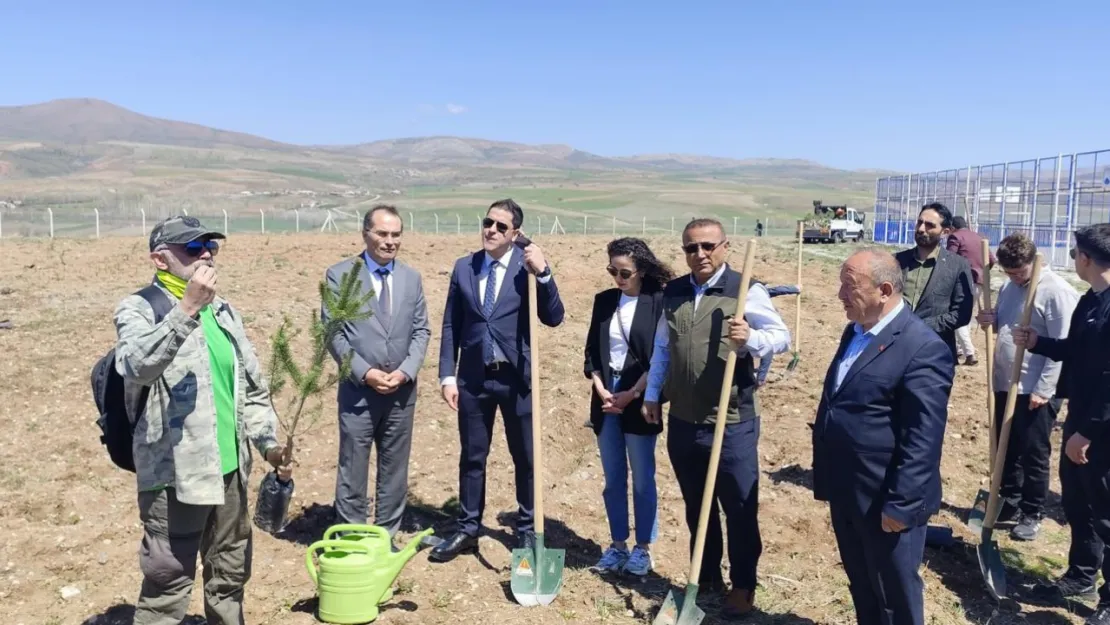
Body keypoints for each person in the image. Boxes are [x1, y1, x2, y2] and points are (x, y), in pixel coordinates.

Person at [113, 215, 292, 625]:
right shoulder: (140, 308)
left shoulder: (224, 311)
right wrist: (187, 308)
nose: (206, 254)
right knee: (168, 585)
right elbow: (136, 365)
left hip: (230, 472)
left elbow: (251, 388)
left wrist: (268, 445)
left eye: (210, 246)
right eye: (193, 248)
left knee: (229, 575)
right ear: (160, 259)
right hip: (176, 477)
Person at [641, 218, 791, 619]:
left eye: (708, 246)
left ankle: (743, 585)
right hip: (684, 418)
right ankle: (706, 575)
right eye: (692, 248)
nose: (700, 254)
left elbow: (782, 337)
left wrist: (750, 339)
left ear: (724, 246)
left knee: (739, 506)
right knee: (696, 504)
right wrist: (653, 394)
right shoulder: (673, 292)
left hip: (731, 420)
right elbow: (663, 348)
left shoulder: (745, 290)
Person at [812, 248, 954, 625]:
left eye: (850, 287)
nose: (840, 295)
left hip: (887, 499)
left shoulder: (923, 348)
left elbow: (923, 438)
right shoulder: (855, 331)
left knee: (894, 593)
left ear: (884, 290)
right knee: (862, 583)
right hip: (849, 490)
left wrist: (901, 504)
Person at [430, 199, 566, 562]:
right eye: (488, 222)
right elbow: (451, 324)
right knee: (472, 456)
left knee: (525, 458)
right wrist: (447, 375)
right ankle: (468, 528)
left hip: (516, 379)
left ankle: (527, 531)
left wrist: (544, 273)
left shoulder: (527, 269)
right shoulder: (464, 267)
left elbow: (554, 317)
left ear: (515, 233)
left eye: (501, 226)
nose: (491, 230)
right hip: (473, 379)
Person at [1012, 224, 1110, 621]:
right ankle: (1082, 575)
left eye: (1074, 253)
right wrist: (1039, 343)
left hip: (1101, 427)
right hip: (1080, 416)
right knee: (1078, 501)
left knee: (1106, 511)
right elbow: (1076, 350)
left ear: (1085, 258)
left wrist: (1087, 432)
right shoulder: (1091, 300)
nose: (1073, 259)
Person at [323, 204, 430, 539]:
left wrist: (406, 371)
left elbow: (421, 331)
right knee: (353, 466)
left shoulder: (411, 279)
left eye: (396, 234)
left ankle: (385, 537)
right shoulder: (341, 275)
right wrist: (364, 372)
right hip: (359, 391)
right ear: (365, 233)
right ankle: (351, 538)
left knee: (394, 469)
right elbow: (333, 332)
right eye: (382, 233)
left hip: (401, 393)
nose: (389, 241)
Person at [975, 232, 1077, 541]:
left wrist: (1044, 388)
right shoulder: (1009, 287)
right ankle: (1010, 499)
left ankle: (1033, 511)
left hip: (1035, 387)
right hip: (1006, 382)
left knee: (1033, 452)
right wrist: (989, 320)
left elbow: (1064, 346)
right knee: (1006, 446)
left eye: (1019, 272)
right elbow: (1003, 326)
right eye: (1009, 273)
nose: (1015, 278)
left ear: (1034, 261)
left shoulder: (1056, 291)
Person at [583, 237, 674, 577]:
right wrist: (602, 390)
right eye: (612, 271)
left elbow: (662, 356)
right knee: (613, 478)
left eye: (624, 273)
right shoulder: (604, 301)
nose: (618, 278)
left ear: (642, 271)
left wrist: (634, 393)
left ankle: (643, 548)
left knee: (642, 478)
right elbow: (592, 352)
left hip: (641, 397)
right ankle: (617, 544)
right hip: (606, 397)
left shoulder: (659, 302)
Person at [894, 202, 975, 361]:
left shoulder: (957, 265)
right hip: (896, 349)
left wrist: (920, 326)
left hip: (934, 353)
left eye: (929, 225)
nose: (921, 229)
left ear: (945, 232)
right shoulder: (896, 261)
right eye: (919, 222)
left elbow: (962, 314)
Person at [946, 215, 995, 365]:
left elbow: (949, 259)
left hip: (963, 282)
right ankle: (960, 349)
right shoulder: (979, 237)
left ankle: (969, 353)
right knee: (965, 316)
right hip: (979, 282)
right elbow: (991, 260)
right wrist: (980, 271)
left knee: (957, 316)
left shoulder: (955, 237)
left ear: (952, 228)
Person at [756, 284, 801, 386]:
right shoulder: (756, 291)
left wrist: (793, 289)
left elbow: (774, 290)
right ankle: (760, 379)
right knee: (767, 348)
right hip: (761, 324)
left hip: (756, 324)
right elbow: (774, 290)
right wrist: (795, 288)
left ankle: (759, 378)